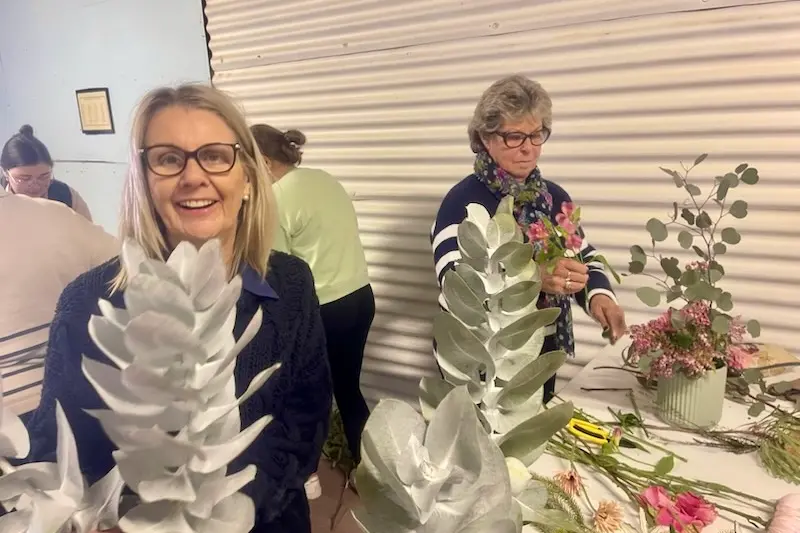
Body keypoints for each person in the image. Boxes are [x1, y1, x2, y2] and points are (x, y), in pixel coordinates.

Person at [24, 85, 332, 533]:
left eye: (215, 155)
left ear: (247, 178)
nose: (194, 175)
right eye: (168, 158)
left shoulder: (289, 283)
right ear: (145, 181)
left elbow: (305, 421)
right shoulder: (89, 304)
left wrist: (233, 508)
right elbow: (59, 448)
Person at [431, 75, 627, 403]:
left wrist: (598, 297)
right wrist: (534, 277)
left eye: (536, 135)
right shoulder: (463, 202)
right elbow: (456, 287)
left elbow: (583, 255)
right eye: (514, 136)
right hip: (479, 357)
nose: (528, 148)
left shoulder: (552, 196)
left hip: (540, 349)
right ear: (484, 137)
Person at [251, 124, 373, 468]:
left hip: (326, 309)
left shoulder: (274, 199)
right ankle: (371, 472)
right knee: (348, 390)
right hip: (361, 297)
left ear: (263, 160)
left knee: (308, 395)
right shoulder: (323, 178)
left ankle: (308, 471)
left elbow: (276, 275)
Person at [0, 191, 117, 417]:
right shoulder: (57, 215)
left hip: (13, 411)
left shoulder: (64, 201)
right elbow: (130, 268)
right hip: (80, 397)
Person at [1, 125, 93, 220]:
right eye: (25, 178)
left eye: (43, 177)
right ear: (5, 173)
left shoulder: (66, 196)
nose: (35, 186)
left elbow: (88, 232)